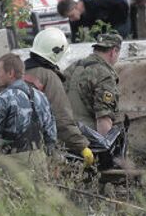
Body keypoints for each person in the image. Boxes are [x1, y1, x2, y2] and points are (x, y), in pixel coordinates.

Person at [23, 28, 94, 166]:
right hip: (35, 148)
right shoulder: (49, 77)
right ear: (56, 53)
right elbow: (61, 119)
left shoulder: (18, 72)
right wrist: (82, 147)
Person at [0, 53, 57, 175]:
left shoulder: (6, 96)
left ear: (10, 73)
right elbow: (51, 135)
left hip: (14, 165)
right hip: (39, 164)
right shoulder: (40, 96)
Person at [64, 33, 122, 136]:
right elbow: (103, 118)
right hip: (89, 139)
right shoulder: (105, 75)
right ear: (114, 51)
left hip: (66, 135)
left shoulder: (72, 67)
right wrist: (107, 148)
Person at [57, 0, 130, 42]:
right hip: (101, 31)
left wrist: (117, 20)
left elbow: (122, 2)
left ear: (75, 7)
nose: (71, 19)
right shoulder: (75, 20)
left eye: (71, 16)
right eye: (69, 17)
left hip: (119, 23)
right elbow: (75, 38)